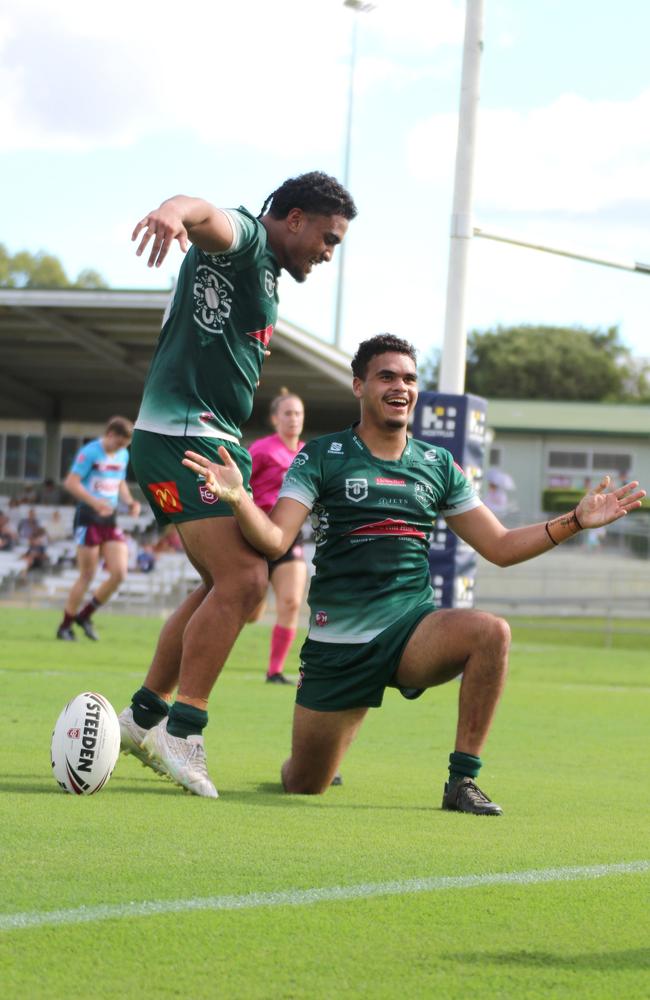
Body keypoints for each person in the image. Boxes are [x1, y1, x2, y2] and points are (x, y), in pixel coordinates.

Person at [182, 333, 646, 814]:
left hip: (410, 630)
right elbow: (276, 540)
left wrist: (573, 521)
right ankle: (322, 746)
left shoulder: (437, 463)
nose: (400, 386)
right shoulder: (322, 456)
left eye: (408, 378)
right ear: (359, 385)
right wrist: (239, 500)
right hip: (337, 645)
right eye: (386, 376)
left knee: (491, 633)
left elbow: (501, 547)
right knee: (303, 784)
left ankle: (462, 782)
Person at [117, 171, 357, 798]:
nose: (328, 252)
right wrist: (172, 208)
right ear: (296, 218)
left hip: (195, 440)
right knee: (248, 580)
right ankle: (183, 728)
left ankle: (143, 719)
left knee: (226, 587)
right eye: (327, 238)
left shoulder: (265, 276)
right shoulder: (250, 239)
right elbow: (208, 216)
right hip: (183, 438)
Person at [56, 416, 141, 641]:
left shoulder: (123, 454)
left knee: (120, 573)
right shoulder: (90, 452)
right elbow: (71, 483)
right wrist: (95, 503)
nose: (121, 448)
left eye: (125, 446)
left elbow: (119, 482)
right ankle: (65, 626)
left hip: (109, 518)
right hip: (88, 516)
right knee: (88, 574)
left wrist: (130, 502)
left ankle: (85, 615)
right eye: (119, 443)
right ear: (110, 434)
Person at [248, 390, 307, 685]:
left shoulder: (307, 454)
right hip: (256, 536)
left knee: (292, 603)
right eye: (287, 413)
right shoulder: (261, 450)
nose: (293, 419)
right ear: (275, 419)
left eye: (298, 413)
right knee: (249, 611)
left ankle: (275, 671)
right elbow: (240, 485)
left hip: (290, 536)